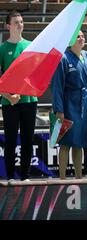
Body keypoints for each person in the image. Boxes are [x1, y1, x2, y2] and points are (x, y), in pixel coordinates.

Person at [0, 11, 38, 181]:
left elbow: (35, 75)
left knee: (27, 140)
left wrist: (21, 93)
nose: (20, 25)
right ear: (8, 26)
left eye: (21, 22)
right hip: (9, 102)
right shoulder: (2, 48)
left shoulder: (32, 46)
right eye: (16, 22)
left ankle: (25, 176)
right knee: (10, 141)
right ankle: (9, 177)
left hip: (29, 100)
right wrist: (8, 96)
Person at [51, 31, 87, 179]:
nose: (81, 38)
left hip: (83, 104)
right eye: (77, 36)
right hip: (68, 104)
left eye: (82, 35)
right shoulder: (63, 58)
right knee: (66, 142)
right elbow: (57, 86)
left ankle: (78, 176)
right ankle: (62, 177)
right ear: (70, 40)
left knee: (79, 142)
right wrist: (59, 109)